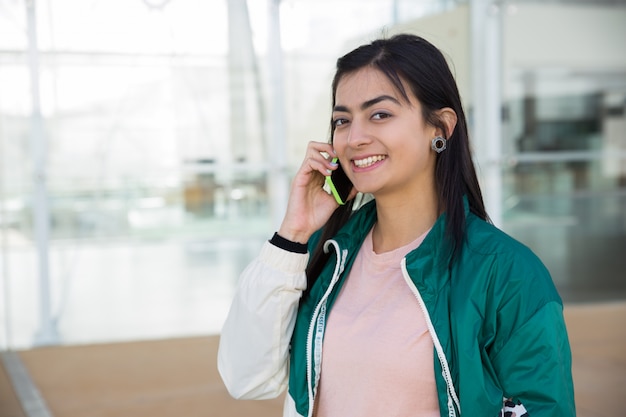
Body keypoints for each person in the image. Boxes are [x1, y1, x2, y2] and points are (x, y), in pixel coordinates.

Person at [218, 33, 575, 417]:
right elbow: (245, 377)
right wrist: (293, 235)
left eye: (380, 114)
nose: (354, 138)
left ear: (440, 127)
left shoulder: (507, 274)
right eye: (342, 120)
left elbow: (543, 408)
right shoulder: (329, 254)